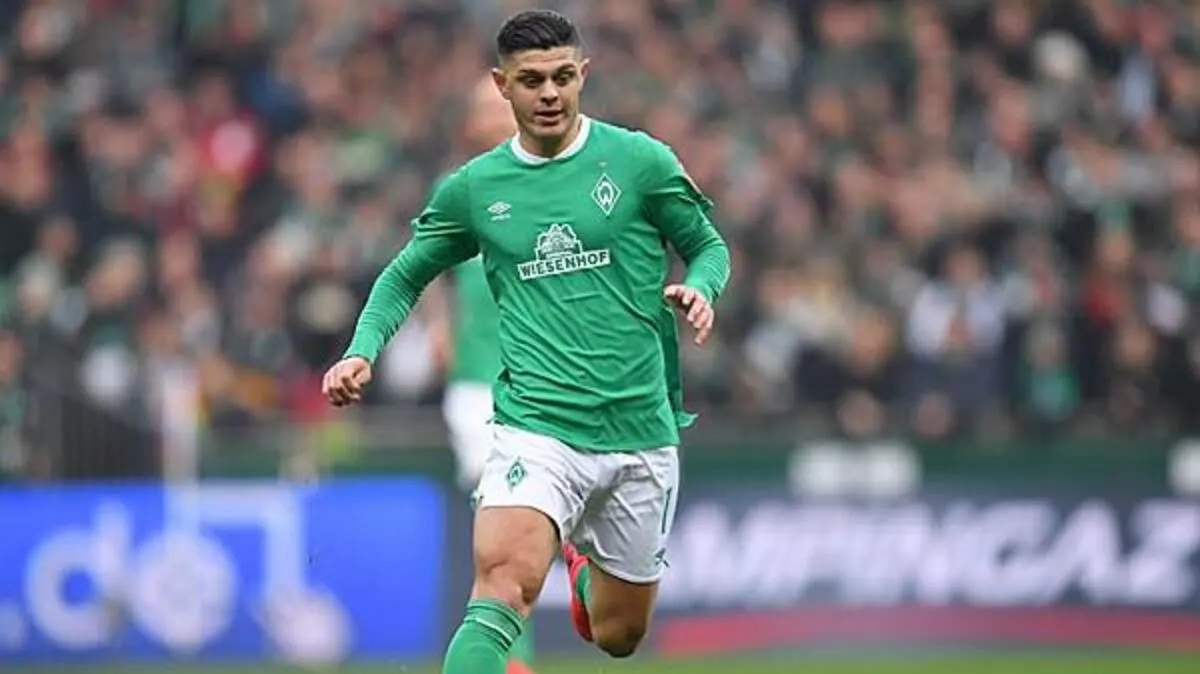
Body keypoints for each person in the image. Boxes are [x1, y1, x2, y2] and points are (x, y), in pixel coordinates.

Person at [322, 9, 730, 674]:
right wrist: (361, 349)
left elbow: (707, 245)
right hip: (534, 425)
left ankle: (585, 574)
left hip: (639, 429)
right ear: (502, 84)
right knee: (502, 588)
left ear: (583, 75)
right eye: (532, 80)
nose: (549, 93)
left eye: (563, 77)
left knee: (619, 633)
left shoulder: (639, 161)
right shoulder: (475, 189)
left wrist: (703, 288)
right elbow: (404, 275)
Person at [438, 76, 538, 674]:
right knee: (504, 520)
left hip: (546, 380)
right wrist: (437, 327)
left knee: (528, 524)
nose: (492, 115)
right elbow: (423, 268)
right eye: (482, 107)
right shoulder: (456, 189)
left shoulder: (556, 182)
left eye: (498, 104)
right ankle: (512, 659)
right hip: (479, 384)